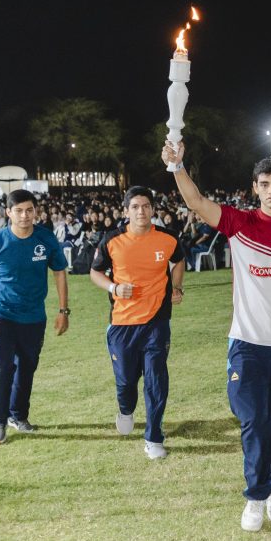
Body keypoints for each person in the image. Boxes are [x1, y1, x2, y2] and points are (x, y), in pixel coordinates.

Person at [162, 141, 271, 533]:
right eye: (264, 184)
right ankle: (255, 495)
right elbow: (196, 201)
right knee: (253, 417)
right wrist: (177, 166)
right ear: (255, 188)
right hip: (247, 342)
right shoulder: (239, 223)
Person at [90, 186, 185, 460]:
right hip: (122, 323)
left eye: (145, 206)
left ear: (152, 209)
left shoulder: (168, 238)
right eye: (135, 207)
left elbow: (179, 261)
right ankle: (126, 409)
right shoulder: (112, 240)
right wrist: (114, 288)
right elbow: (95, 273)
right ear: (126, 211)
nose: (141, 211)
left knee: (156, 379)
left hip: (157, 321)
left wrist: (176, 286)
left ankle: (154, 437)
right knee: (126, 381)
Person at [0, 189, 69, 445]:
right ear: (8, 213)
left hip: (34, 316)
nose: (24, 216)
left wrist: (63, 311)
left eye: (29, 210)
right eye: (18, 211)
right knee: (2, 367)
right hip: (1, 314)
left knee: (27, 368)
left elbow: (60, 272)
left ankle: (18, 415)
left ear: (36, 211)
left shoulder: (46, 239)